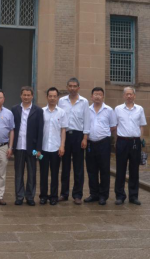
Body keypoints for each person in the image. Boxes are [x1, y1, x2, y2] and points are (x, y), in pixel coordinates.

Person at [57, 77, 90, 205]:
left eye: (74, 86)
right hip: (65, 135)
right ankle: (64, 194)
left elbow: (87, 120)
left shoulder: (84, 102)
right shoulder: (62, 101)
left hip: (78, 136)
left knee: (78, 167)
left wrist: (85, 138)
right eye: (70, 86)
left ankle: (77, 195)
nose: (72, 88)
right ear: (67, 87)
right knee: (65, 167)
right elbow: (59, 118)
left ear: (78, 88)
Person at [114, 86, 146, 206]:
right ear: (123, 96)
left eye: (131, 94)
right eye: (126, 94)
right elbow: (115, 125)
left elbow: (142, 126)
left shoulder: (140, 109)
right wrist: (116, 141)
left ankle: (133, 196)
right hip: (122, 141)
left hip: (135, 142)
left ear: (134, 96)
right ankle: (120, 196)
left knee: (134, 170)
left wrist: (141, 141)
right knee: (120, 170)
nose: (129, 96)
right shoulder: (118, 109)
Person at [12, 86, 44, 206]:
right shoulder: (15, 109)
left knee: (32, 173)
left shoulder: (38, 110)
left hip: (33, 147)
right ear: (21, 96)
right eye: (24, 95)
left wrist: (39, 149)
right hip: (18, 146)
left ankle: (30, 196)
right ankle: (19, 196)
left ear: (32, 96)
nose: (26, 97)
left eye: (28, 95)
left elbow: (40, 131)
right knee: (18, 173)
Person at [85, 86, 117, 206]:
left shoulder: (109, 110)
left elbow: (113, 126)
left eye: (100, 94)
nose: (97, 96)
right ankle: (94, 194)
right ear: (91, 97)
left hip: (104, 143)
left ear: (103, 96)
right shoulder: (87, 110)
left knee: (104, 170)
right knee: (91, 170)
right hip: (90, 143)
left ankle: (103, 195)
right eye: (95, 94)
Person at [40, 87, 67, 205]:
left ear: (57, 98)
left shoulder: (61, 112)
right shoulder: (41, 111)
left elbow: (63, 130)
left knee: (55, 173)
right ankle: (43, 196)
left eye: (54, 96)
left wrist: (62, 146)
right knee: (43, 173)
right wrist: (37, 150)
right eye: (50, 96)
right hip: (43, 149)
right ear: (47, 97)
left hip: (56, 148)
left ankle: (54, 196)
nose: (52, 98)